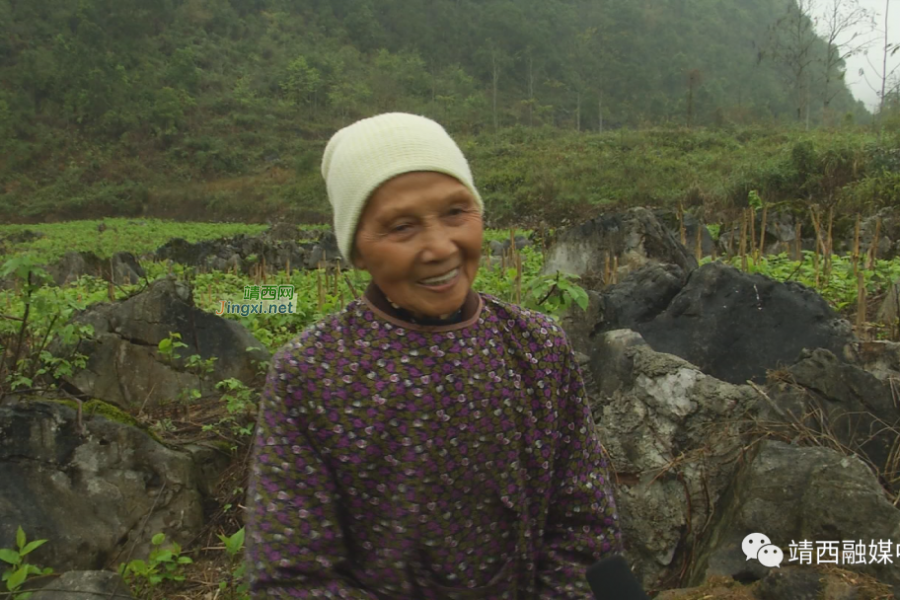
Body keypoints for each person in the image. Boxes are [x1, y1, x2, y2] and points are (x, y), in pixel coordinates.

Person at [244, 112, 622, 599]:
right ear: (356, 250)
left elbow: (586, 530)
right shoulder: (311, 374)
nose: (440, 247)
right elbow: (291, 577)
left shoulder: (538, 347)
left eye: (456, 212)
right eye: (402, 227)